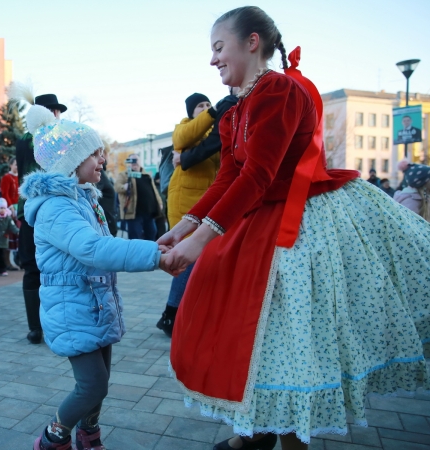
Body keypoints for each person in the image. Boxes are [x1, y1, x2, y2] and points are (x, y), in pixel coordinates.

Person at [159, 7, 430, 450]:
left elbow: (258, 175)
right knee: (267, 339)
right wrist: (185, 228)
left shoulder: (278, 90)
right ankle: (260, 432)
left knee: (291, 338)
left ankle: (282, 439)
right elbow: (228, 177)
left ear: (251, 42)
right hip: (258, 225)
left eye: (218, 47)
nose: (212, 60)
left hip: (300, 229)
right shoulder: (232, 112)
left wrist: (201, 241)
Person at [20, 104, 167, 450]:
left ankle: (89, 433)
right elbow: (93, 249)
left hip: (95, 304)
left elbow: (103, 247)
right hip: (72, 308)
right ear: (70, 161)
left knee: (101, 380)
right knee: (92, 385)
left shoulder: (84, 198)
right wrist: (155, 256)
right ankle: (54, 436)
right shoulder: (57, 207)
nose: (102, 159)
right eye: (94, 153)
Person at [156, 93, 217, 337]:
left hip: (207, 204)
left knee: (203, 259)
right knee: (188, 258)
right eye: (200, 106)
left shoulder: (213, 134)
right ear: (191, 112)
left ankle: (189, 313)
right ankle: (170, 315)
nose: (205, 108)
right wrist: (214, 113)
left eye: (208, 104)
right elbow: (183, 137)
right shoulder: (184, 129)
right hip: (186, 206)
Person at [11, 88, 68, 344]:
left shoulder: (24, 138)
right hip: (51, 212)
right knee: (56, 267)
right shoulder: (49, 136)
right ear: (50, 113)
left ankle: (36, 327)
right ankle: (52, 324)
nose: (58, 115)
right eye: (56, 111)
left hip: (29, 213)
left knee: (32, 269)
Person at [115, 154, 163, 240]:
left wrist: (159, 202)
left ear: (140, 161)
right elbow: (117, 187)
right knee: (135, 237)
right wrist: (124, 187)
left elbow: (154, 190)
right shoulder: (124, 175)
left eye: (136, 160)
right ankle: (136, 253)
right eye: (131, 160)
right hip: (133, 213)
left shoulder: (146, 175)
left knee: (152, 233)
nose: (134, 162)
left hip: (149, 212)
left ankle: (149, 252)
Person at [0, 157, 20, 271]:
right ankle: (6, 262)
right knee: (9, 234)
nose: (17, 167)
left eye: (18, 165)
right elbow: (5, 193)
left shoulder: (20, 177)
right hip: (9, 209)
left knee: (18, 235)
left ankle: (19, 259)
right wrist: (10, 206)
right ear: (10, 165)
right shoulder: (7, 178)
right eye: (15, 164)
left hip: (20, 208)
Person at [95, 145, 118, 237]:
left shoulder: (102, 173)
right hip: (106, 221)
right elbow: (94, 199)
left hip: (107, 219)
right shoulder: (99, 175)